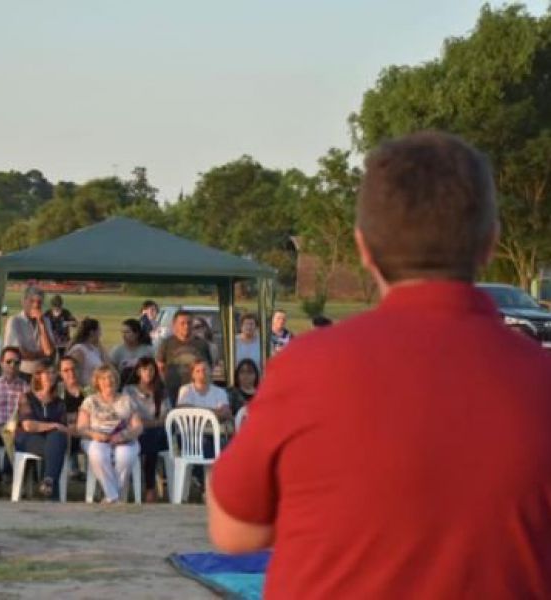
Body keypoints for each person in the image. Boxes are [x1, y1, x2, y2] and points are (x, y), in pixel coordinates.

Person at [209, 131, 551, 598]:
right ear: (490, 243)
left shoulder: (309, 367)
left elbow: (234, 532)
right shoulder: (539, 381)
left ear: (363, 247)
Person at [77, 365, 144, 503]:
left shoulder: (126, 400)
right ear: (98, 382)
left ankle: (111, 497)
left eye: (111, 377)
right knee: (97, 453)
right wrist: (95, 435)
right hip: (97, 438)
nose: (108, 381)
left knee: (125, 455)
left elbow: (138, 427)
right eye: (104, 378)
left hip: (123, 438)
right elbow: (81, 427)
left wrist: (124, 436)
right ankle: (115, 496)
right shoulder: (90, 401)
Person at [16, 360, 69, 500]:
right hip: (28, 438)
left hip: (51, 441)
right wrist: (53, 426)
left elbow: (64, 427)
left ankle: (48, 481)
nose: (51, 376)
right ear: (38, 375)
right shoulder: (26, 397)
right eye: (48, 373)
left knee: (57, 439)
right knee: (56, 444)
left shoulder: (59, 402)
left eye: (53, 373)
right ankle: (51, 490)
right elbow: (28, 425)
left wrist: (54, 428)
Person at [122, 357, 170, 503]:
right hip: (137, 435)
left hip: (158, 435)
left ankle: (149, 486)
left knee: (153, 435)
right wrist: (152, 422)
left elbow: (167, 417)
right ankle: (150, 486)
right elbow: (129, 417)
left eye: (151, 369)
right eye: (144, 369)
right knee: (150, 435)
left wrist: (146, 423)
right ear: (138, 372)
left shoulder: (161, 391)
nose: (148, 373)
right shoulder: (129, 391)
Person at [0, 346, 29, 497]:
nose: (12, 366)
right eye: (9, 362)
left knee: (19, 439)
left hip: (16, 428)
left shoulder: (25, 387)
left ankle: (11, 477)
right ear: (1, 363)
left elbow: (27, 413)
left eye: (16, 363)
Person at [156, 310, 212, 402]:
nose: (186, 326)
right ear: (174, 325)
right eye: (182, 323)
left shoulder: (202, 344)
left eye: (189, 323)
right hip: (172, 390)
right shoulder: (166, 343)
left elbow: (208, 367)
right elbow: (160, 367)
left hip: (195, 392)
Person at [3, 286, 55, 380]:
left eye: (39, 302)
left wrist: (41, 324)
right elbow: (20, 353)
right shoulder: (15, 321)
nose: (35, 306)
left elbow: (49, 351)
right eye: (32, 301)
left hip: (42, 372)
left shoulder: (45, 321)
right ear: (23, 302)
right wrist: (41, 354)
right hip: (22, 373)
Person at [58, 355, 86, 479]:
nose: (71, 373)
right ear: (60, 373)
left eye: (73, 369)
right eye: (66, 370)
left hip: (84, 431)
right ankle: (72, 469)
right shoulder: (57, 392)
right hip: (65, 431)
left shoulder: (88, 391)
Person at [66, 317, 109, 388]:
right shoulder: (79, 350)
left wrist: (100, 345)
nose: (101, 334)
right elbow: (74, 373)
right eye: (99, 330)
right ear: (92, 332)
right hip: (86, 390)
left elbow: (107, 365)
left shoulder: (95, 349)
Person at [109, 318, 154, 385]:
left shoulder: (148, 350)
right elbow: (111, 371)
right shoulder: (117, 351)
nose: (124, 335)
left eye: (127, 332)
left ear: (137, 334)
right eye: (122, 332)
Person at [44, 294, 77, 362]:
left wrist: (67, 323)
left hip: (63, 342)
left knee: (63, 360)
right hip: (51, 341)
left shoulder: (66, 313)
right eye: (55, 306)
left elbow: (75, 323)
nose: (56, 308)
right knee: (50, 360)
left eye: (58, 306)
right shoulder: (47, 314)